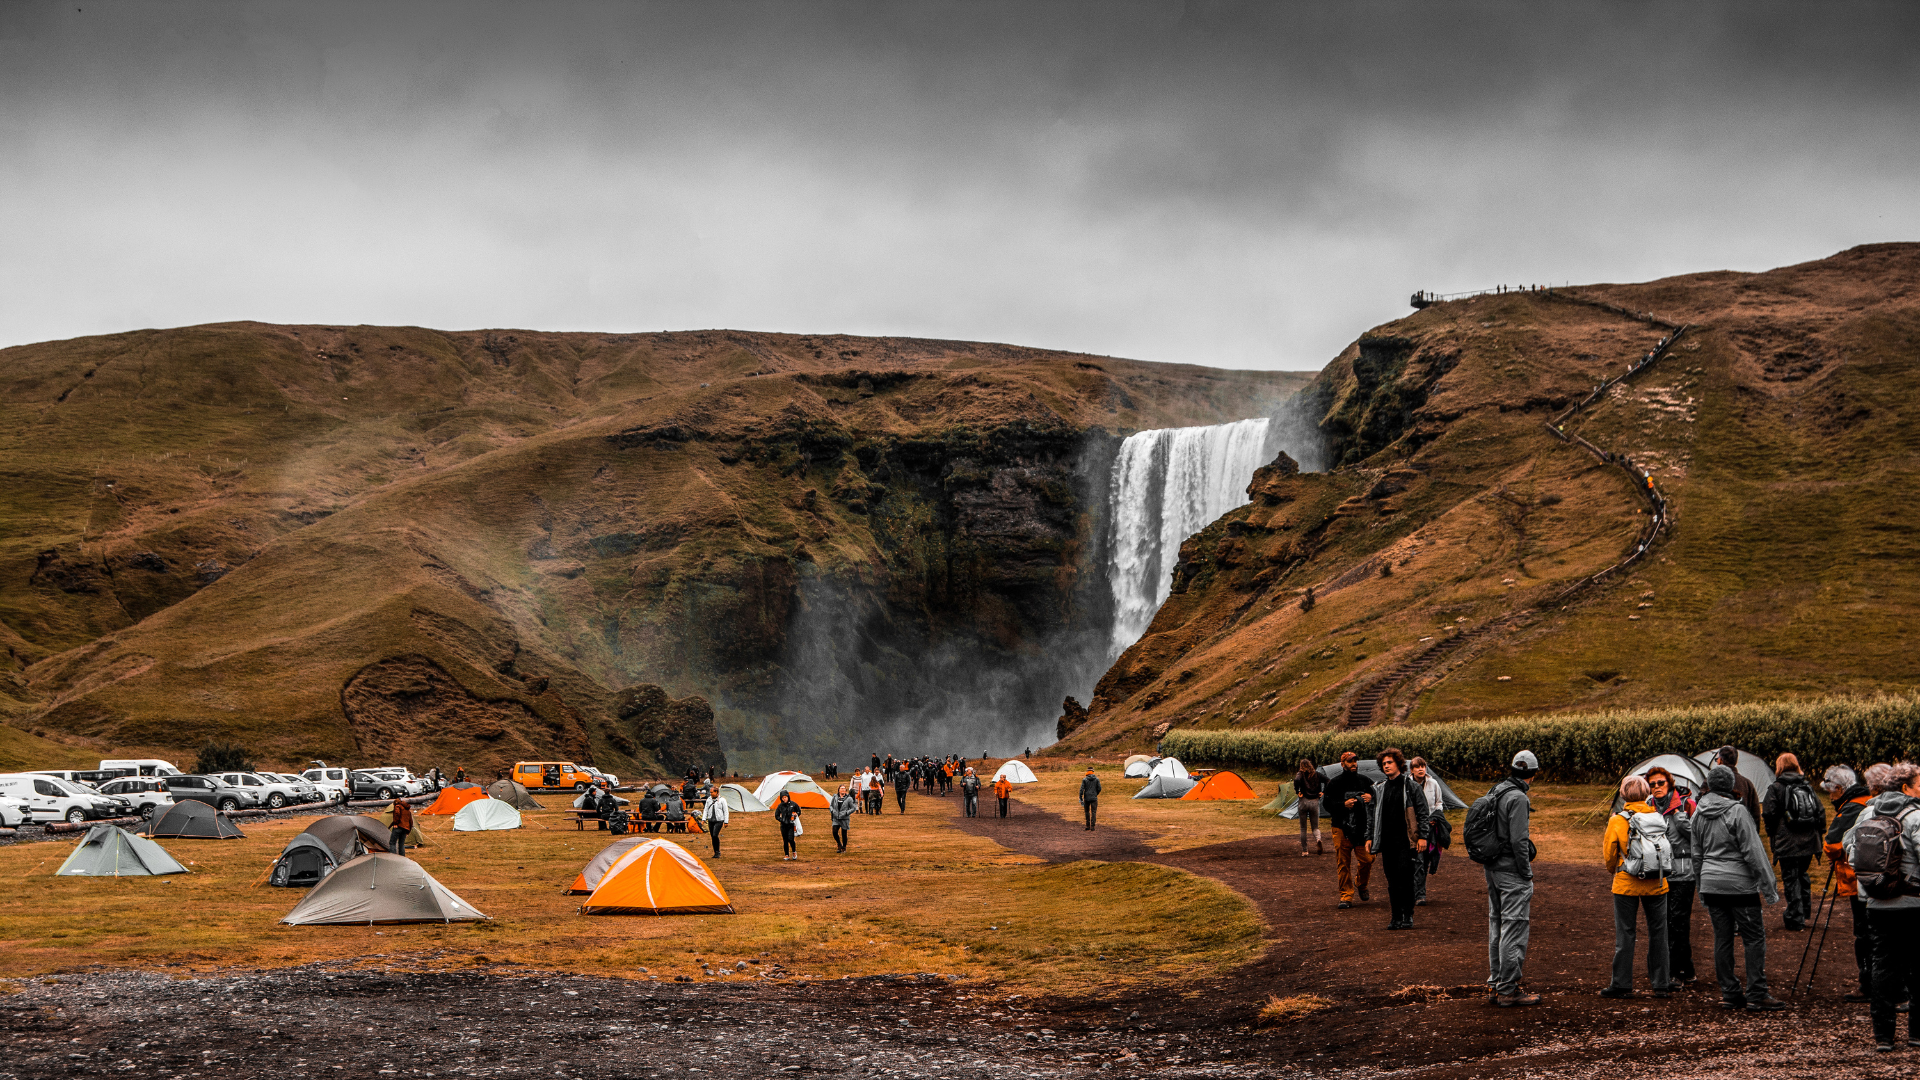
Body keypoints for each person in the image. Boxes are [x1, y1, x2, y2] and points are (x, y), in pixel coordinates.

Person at [1843, 762, 1920, 1052]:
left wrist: (1872, 884)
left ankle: (1883, 1036)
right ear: (1905, 787)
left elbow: (1851, 851)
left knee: (1883, 966)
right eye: (1919, 783)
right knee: (1915, 967)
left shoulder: (1868, 811)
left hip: (1876, 903)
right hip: (1914, 901)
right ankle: (1916, 1033)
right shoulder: (1916, 816)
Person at [1694, 763, 1783, 1010]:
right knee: (1753, 938)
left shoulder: (1698, 813)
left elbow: (1696, 855)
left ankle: (1730, 991)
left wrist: (1702, 886)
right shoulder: (1737, 811)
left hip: (1711, 884)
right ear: (1732, 786)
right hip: (1739, 885)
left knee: (1722, 939)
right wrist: (1769, 888)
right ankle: (1757, 992)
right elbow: (1754, 852)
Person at [1601, 774, 1671, 998]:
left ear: (1623, 794)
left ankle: (1621, 984)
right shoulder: (1657, 816)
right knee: (1659, 933)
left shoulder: (1617, 820)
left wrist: (1616, 871)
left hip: (1626, 883)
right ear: (1648, 793)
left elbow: (1609, 855)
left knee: (1626, 933)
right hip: (1657, 882)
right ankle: (1661, 983)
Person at [1485, 750, 1540, 1007]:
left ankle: (1496, 984)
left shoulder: (1496, 790)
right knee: (1514, 926)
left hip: (1492, 868)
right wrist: (1526, 872)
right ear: (1532, 774)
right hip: (1511, 871)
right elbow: (1519, 840)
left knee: (1497, 924)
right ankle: (1508, 989)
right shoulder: (1518, 798)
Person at [1823, 764, 1875, 1002]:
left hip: (1858, 879)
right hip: (1879, 876)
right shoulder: (1869, 800)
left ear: (1840, 788)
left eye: (1831, 791)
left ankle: (1868, 984)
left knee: (1863, 933)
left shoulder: (1852, 808)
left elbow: (1832, 845)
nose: (1830, 796)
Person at [1645, 766, 1698, 985]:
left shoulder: (1687, 805)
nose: (1656, 787)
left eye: (1660, 783)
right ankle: (1686, 969)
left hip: (1683, 874)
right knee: (1666, 922)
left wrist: (1680, 818)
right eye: (1652, 784)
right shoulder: (1648, 806)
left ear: (1670, 784)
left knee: (1678, 922)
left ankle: (1674, 972)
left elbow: (1696, 836)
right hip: (1658, 873)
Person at [1761, 752, 1826, 931]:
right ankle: (1804, 912)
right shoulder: (1807, 786)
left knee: (1791, 878)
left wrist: (1772, 833)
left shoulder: (1776, 788)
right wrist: (1820, 833)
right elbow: (1820, 811)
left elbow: (1768, 813)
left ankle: (1795, 918)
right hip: (1810, 840)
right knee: (1802, 874)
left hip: (1788, 841)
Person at [1368, 748, 1430, 930]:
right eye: (1384, 763)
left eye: (1390, 762)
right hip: (1387, 842)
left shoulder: (1411, 787)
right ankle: (1395, 916)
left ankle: (1407, 915)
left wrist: (1423, 837)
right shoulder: (1380, 789)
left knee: (1406, 878)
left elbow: (1423, 812)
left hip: (1406, 841)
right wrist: (1369, 837)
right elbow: (1372, 815)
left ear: (1399, 764)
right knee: (1391, 880)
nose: (1386, 766)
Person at [1324, 752, 1375, 909]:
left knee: (1368, 859)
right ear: (1342, 764)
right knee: (1343, 862)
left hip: (1361, 829)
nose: (1353, 763)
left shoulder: (1365, 781)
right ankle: (1346, 896)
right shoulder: (1334, 783)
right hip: (1340, 827)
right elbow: (1326, 804)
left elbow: (1378, 795)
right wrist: (1342, 805)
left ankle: (1361, 883)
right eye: (1349, 761)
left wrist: (1371, 798)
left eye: (1355, 761)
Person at [1409, 757, 1445, 904]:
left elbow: (1439, 803)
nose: (1421, 769)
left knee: (1425, 860)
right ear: (1411, 770)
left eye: (1423, 766)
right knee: (1417, 859)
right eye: (1417, 767)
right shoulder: (1407, 785)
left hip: (1430, 826)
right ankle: (1419, 894)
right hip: (1412, 828)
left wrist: (1435, 817)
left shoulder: (1433, 783)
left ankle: (1419, 892)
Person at [1715, 745, 1763, 824]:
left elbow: (1701, 806)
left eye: (1717, 759)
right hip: (1742, 832)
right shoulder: (1747, 784)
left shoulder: (1711, 782)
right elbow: (1755, 814)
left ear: (1721, 760)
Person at [1294, 758, 1325, 857]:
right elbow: (1328, 781)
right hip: (1315, 802)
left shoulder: (1301, 774)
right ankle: (1318, 839)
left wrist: (1297, 790)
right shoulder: (1317, 774)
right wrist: (1322, 792)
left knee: (1303, 828)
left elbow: (1296, 780)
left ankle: (1305, 851)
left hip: (1303, 802)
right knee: (1315, 827)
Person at [774, 791, 801, 860]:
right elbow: (776, 815)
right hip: (783, 825)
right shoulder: (780, 806)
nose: (784, 799)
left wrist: (796, 814)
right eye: (783, 798)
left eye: (785, 797)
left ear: (788, 797)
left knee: (791, 839)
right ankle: (786, 855)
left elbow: (799, 811)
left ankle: (794, 852)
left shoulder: (793, 804)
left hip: (791, 825)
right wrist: (781, 820)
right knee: (785, 840)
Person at [830, 784, 857, 853]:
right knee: (834, 831)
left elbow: (853, 808)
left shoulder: (849, 798)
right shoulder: (835, 797)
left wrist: (846, 813)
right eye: (841, 788)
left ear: (846, 790)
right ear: (838, 790)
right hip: (836, 817)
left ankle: (844, 847)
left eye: (844, 789)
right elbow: (831, 806)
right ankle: (839, 844)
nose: (843, 790)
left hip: (844, 818)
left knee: (844, 833)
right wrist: (832, 811)